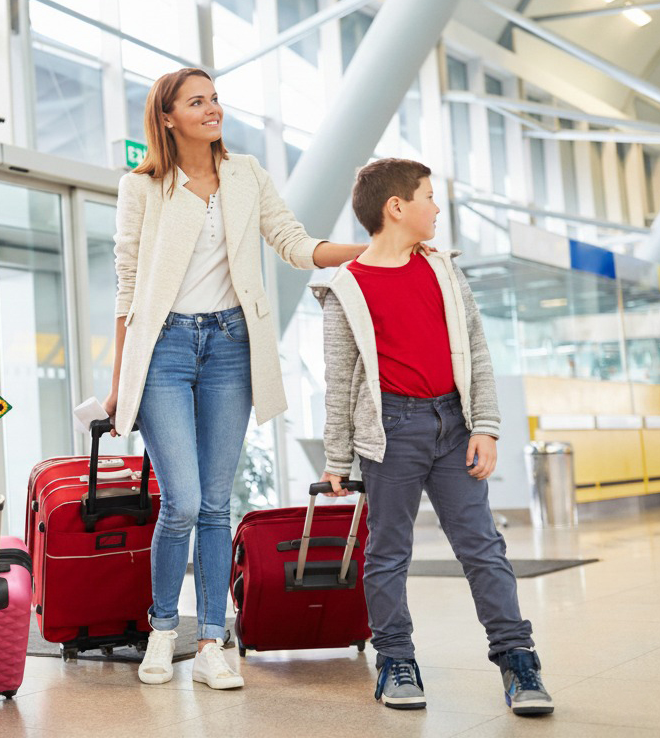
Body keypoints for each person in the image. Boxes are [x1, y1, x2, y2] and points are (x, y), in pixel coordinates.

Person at [103, 67, 368, 690]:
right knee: (184, 502)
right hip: (163, 348)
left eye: (215, 98)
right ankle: (165, 628)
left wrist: (369, 250)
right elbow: (126, 285)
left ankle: (213, 642)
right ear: (167, 117)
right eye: (197, 102)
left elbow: (293, 242)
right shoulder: (142, 187)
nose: (212, 108)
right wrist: (121, 379)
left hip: (229, 347)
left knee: (217, 506)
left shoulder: (247, 174)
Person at [314, 158, 553, 716]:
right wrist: (337, 459)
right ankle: (396, 660)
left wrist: (486, 427)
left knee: (483, 547)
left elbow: (477, 352)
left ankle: (517, 658)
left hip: (455, 426)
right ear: (396, 208)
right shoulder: (346, 287)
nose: (437, 207)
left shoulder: (444, 270)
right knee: (388, 551)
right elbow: (339, 380)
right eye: (428, 196)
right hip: (389, 432)